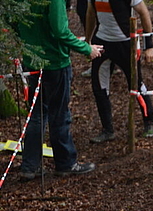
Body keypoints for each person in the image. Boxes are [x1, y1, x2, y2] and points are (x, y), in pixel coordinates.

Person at [17, 0, 102, 181]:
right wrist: (87, 49)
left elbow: (15, 21)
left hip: (32, 62)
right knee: (59, 114)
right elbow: (60, 30)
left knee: (36, 115)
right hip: (54, 63)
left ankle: (29, 166)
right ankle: (65, 163)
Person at [85, 0, 153, 143]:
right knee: (99, 87)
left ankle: (149, 122)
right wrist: (88, 42)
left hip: (125, 42)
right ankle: (107, 130)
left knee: (136, 84)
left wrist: (149, 46)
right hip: (102, 42)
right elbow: (91, 13)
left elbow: (143, 13)